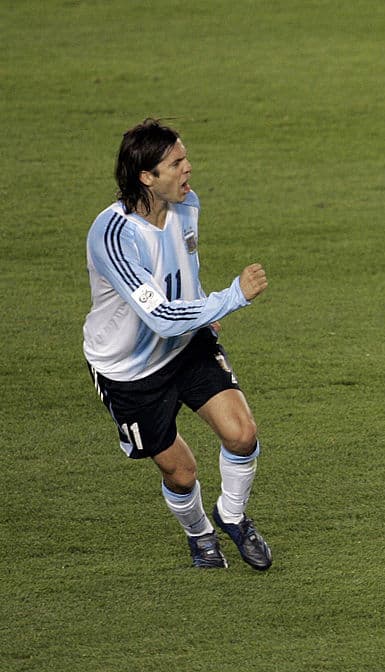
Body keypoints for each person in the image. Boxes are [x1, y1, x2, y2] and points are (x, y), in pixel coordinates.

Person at [83, 119, 272, 570]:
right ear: (146, 177)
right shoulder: (114, 237)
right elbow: (160, 318)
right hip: (130, 370)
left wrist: (202, 310)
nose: (189, 168)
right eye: (177, 162)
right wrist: (229, 300)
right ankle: (199, 535)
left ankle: (232, 515)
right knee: (182, 472)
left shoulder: (186, 205)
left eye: (185, 158)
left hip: (187, 343)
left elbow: (183, 269)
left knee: (242, 435)